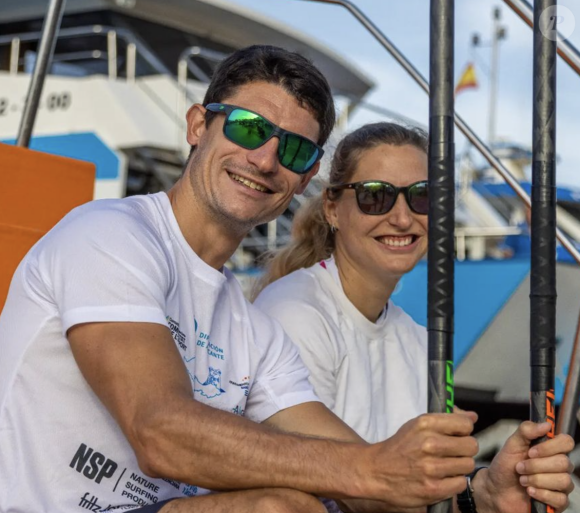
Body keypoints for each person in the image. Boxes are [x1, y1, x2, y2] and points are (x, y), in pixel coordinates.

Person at [0, 45, 572, 513]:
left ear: (303, 181)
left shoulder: (254, 331)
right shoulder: (111, 234)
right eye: (249, 129)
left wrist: (482, 492)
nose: (266, 159)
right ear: (199, 125)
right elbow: (160, 430)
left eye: (295, 149)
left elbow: (370, 474)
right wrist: (370, 470)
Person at [254, 122, 575, 511]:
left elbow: (422, 496)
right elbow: (363, 491)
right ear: (333, 208)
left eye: (423, 197)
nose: (403, 219)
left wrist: (488, 493)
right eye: (376, 197)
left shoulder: (420, 341)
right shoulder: (294, 314)